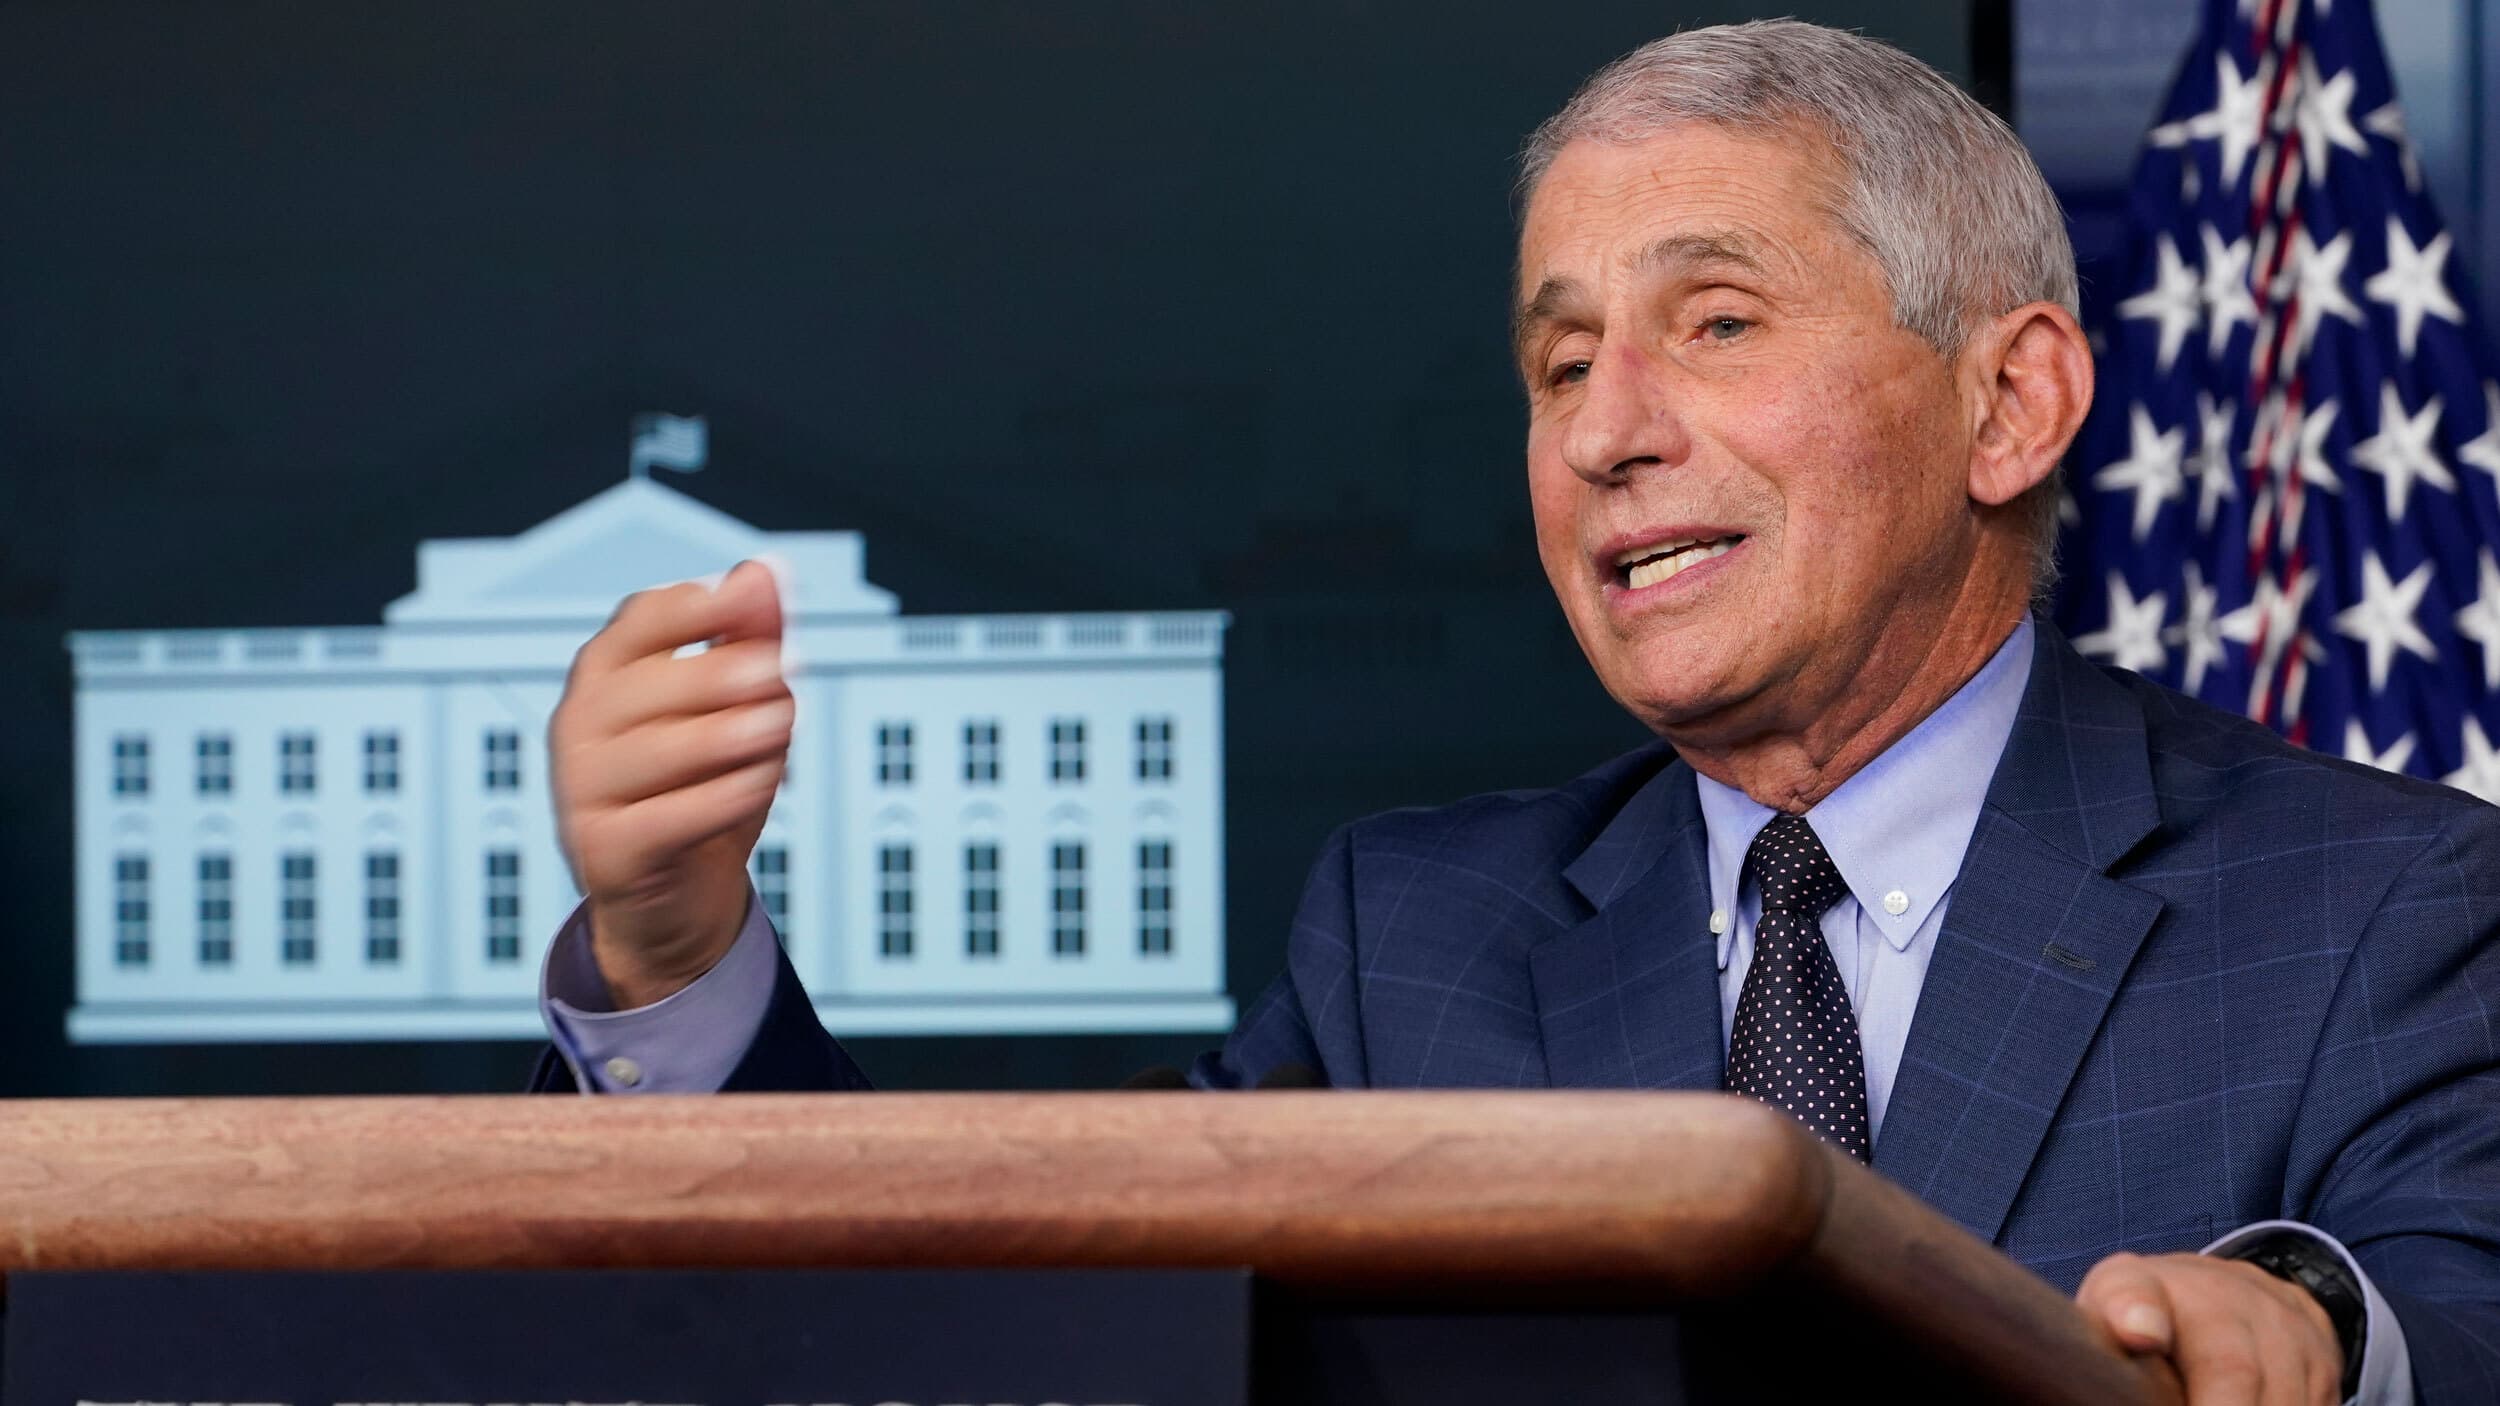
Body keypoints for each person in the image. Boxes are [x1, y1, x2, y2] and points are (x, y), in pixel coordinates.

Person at [529, 21, 2498, 1404]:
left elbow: (2451, 1297)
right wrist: (675, 953)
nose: (1607, 430)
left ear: (2007, 403)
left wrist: (2312, 1328)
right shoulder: (1412, 940)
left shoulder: (2383, 900)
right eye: (1559, 361)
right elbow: (1007, 1330)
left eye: (1712, 323)